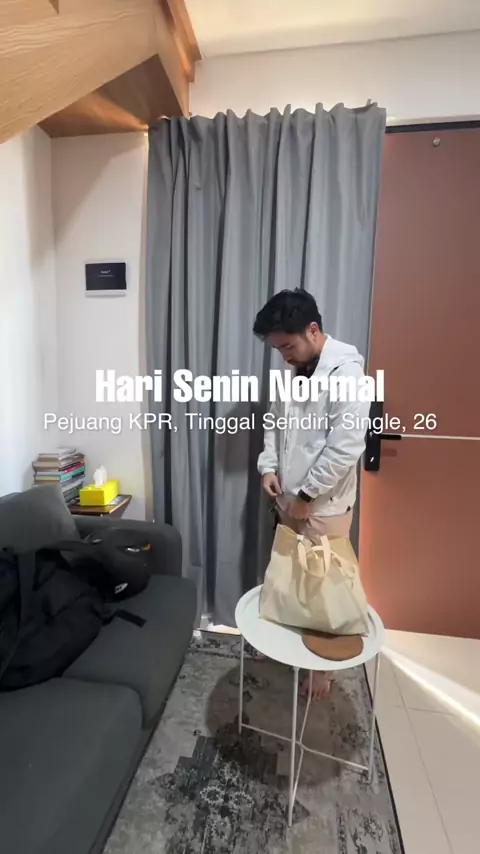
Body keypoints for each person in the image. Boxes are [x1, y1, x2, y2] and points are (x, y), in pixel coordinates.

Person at [253, 289, 371, 699]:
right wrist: (268, 466)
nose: (284, 356)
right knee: (291, 573)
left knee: (325, 586)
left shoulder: (348, 376)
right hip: (289, 497)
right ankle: (288, 642)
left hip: (324, 504)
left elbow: (345, 448)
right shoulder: (293, 371)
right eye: (278, 349)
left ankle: (324, 668)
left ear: (313, 330)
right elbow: (274, 423)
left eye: (288, 346)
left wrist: (306, 495)